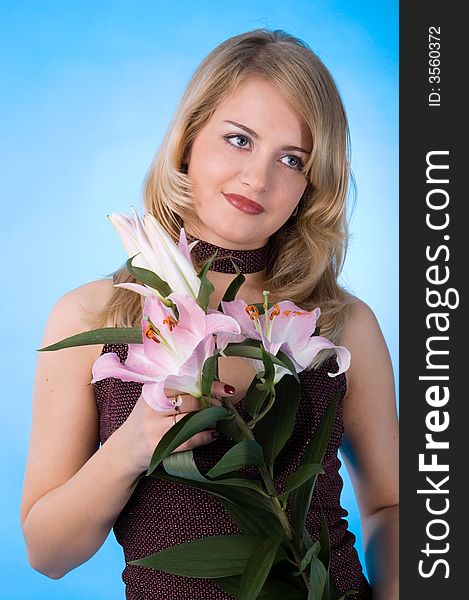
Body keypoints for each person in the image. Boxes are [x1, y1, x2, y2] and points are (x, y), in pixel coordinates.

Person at [20, 29, 398, 599]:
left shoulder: (339, 321)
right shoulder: (87, 316)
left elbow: (391, 504)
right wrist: (131, 446)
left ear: (312, 185)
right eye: (239, 139)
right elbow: (46, 553)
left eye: (291, 159)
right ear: (189, 137)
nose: (258, 178)